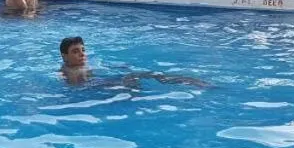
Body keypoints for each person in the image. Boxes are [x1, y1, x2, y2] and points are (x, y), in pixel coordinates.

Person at [58, 36, 210, 88]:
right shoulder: (69, 71)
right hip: (99, 86)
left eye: (83, 50)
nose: (82, 54)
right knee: (134, 77)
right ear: (65, 56)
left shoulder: (82, 64)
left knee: (149, 74)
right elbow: (78, 85)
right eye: (75, 51)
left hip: (105, 81)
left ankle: (185, 80)